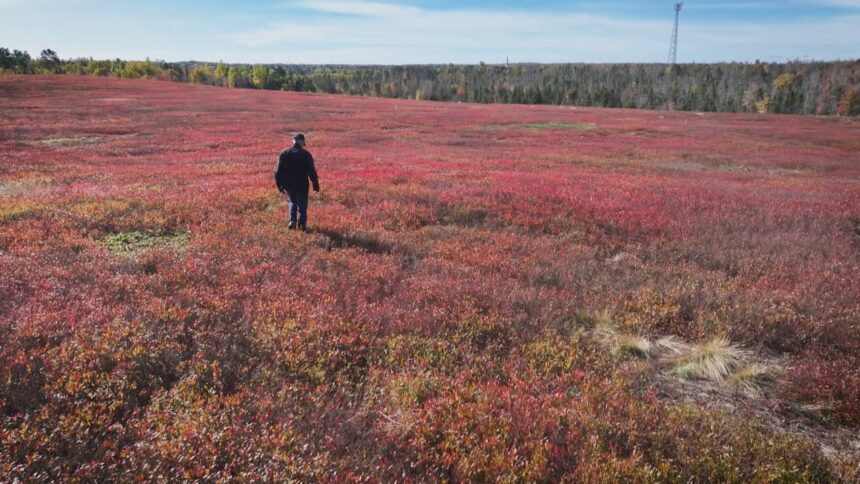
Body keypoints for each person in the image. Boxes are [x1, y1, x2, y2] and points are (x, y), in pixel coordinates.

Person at [274, 133, 320, 230]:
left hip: (288, 184)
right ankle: (302, 224)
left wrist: (279, 185)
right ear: (302, 141)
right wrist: (315, 185)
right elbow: (311, 171)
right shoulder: (306, 155)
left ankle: (292, 221)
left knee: (292, 201)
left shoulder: (284, 153)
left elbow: (278, 171)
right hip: (302, 184)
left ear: (293, 140)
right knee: (302, 204)